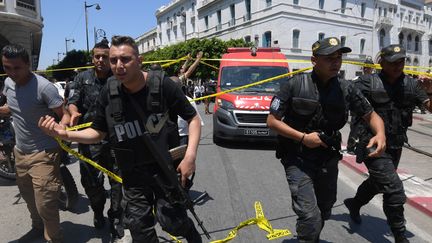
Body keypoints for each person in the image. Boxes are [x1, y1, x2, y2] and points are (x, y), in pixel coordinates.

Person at [39, 35, 203, 242]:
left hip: (165, 168)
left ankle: (190, 233)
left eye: (125, 59)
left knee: (173, 222)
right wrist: (63, 134)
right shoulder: (109, 92)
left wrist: (190, 157)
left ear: (140, 60)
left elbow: (193, 119)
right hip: (133, 174)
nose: (118, 65)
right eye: (114, 60)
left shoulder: (162, 85)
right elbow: (98, 133)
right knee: (140, 231)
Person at [266, 37, 386, 243]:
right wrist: (303, 138)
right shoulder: (294, 84)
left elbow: (371, 115)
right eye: (329, 58)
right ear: (314, 60)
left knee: (324, 210)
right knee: (310, 218)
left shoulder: (346, 88)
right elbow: (272, 121)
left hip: (327, 159)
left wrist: (380, 133)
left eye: (338, 57)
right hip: (298, 158)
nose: (336, 62)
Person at [344, 44, 432, 243]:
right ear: (381, 62)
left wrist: (431, 92)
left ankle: (355, 203)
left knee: (378, 183)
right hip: (371, 143)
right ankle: (400, 236)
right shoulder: (367, 83)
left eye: (401, 61)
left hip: (395, 145)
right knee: (393, 188)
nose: (398, 65)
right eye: (393, 62)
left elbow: (429, 107)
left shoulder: (412, 85)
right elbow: (346, 97)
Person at [0, 44, 70, 243]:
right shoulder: (8, 83)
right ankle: (38, 228)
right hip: (20, 152)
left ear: (28, 65)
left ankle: (53, 238)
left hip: (44, 152)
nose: (12, 73)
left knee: (45, 204)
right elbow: (13, 109)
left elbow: (64, 115)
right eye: (7, 67)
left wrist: (59, 129)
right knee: (30, 199)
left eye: (17, 68)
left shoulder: (43, 87)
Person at [66, 41, 124, 241]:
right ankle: (98, 211)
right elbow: (72, 102)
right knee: (92, 184)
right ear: (92, 58)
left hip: (117, 140)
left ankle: (116, 218)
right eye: (97, 56)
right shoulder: (82, 78)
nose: (100, 60)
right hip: (89, 141)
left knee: (118, 183)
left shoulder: (118, 78)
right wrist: (74, 113)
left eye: (104, 57)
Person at [346, 56, 375, 154]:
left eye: (369, 67)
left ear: (372, 68)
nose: (367, 69)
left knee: (369, 130)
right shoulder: (356, 79)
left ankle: (365, 147)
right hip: (357, 110)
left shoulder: (376, 80)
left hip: (370, 110)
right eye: (365, 67)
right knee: (354, 129)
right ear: (363, 68)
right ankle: (351, 147)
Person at [171, 76, 204, 145]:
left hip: (183, 136)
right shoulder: (164, 101)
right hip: (169, 136)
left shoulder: (188, 101)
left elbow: (197, 123)